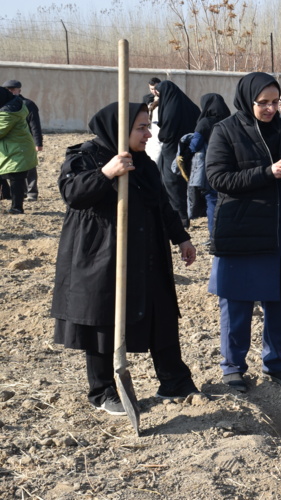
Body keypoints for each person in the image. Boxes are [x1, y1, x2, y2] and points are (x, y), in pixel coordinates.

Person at [51, 102, 200, 414]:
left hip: (147, 251)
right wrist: (107, 173)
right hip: (102, 255)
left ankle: (173, 379)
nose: (149, 133)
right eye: (141, 127)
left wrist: (181, 237)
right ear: (120, 130)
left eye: (149, 126)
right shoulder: (86, 155)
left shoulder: (144, 162)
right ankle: (104, 390)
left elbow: (162, 203)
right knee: (104, 318)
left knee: (161, 310)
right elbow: (72, 192)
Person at [206, 72, 281, 393]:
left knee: (279, 301)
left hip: (279, 229)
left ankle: (277, 363)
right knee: (238, 303)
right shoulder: (224, 131)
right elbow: (218, 178)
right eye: (262, 103)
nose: (269, 109)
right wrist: (267, 173)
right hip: (241, 230)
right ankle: (233, 367)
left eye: (274, 102)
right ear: (247, 100)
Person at [155, 80, 200, 228]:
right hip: (187, 150)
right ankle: (182, 215)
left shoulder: (170, 108)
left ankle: (180, 217)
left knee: (172, 182)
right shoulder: (189, 105)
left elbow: (165, 133)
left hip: (172, 150)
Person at [185, 93, 230, 241]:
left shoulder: (204, 122)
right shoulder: (229, 121)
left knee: (212, 200)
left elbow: (195, 144)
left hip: (209, 167)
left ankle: (214, 236)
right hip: (229, 166)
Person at [0, 87, 38, 214]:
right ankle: (5, 195)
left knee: (16, 177)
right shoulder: (15, 105)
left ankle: (17, 207)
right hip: (14, 147)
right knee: (10, 175)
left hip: (17, 150)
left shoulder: (8, 113)